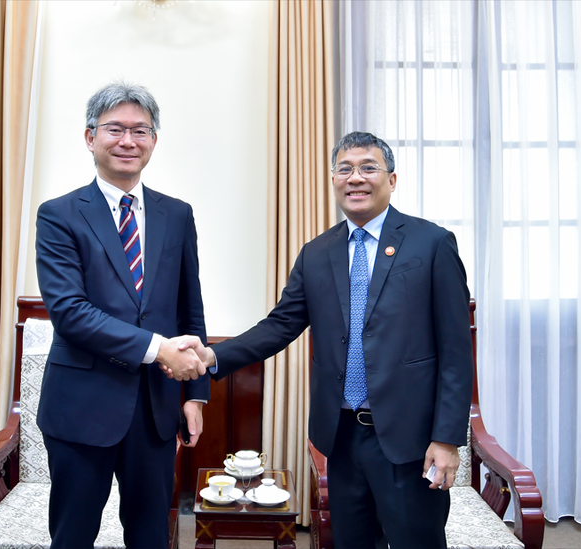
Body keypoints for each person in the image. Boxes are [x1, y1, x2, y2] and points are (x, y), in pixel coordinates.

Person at [174, 131, 474, 548]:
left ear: (392, 179)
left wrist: (445, 439)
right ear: (333, 179)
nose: (356, 178)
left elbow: (457, 352)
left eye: (369, 168)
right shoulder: (317, 252)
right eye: (345, 169)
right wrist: (211, 356)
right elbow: (279, 326)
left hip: (411, 439)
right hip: (343, 436)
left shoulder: (432, 243)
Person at [35, 81, 209, 549]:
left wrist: (196, 394)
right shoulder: (59, 215)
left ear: (154, 140)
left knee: (151, 534)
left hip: (154, 409)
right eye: (115, 129)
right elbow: (69, 312)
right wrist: (158, 350)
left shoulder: (177, 214)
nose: (128, 141)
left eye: (141, 130)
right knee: (73, 535)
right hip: (80, 406)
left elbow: (188, 307)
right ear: (90, 137)